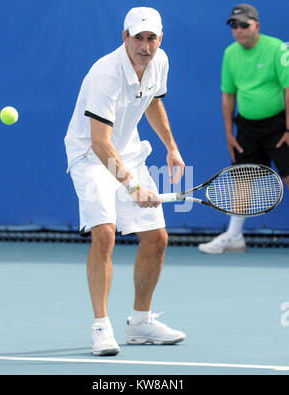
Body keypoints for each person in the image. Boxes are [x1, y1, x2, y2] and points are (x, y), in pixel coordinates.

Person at [64, 7, 186, 355]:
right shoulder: (105, 73)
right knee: (104, 232)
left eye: (152, 38)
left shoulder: (159, 61)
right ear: (125, 38)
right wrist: (133, 188)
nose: (145, 46)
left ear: (159, 39)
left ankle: (140, 323)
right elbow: (101, 143)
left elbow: (152, 102)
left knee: (156, 239)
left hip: (128, 150)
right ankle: (101, 327)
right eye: (138, 38)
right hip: (90, 155)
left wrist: (171, 148)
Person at [198, 3, 289, 254]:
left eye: (244, 25)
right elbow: (228, 95)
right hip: (247, 126)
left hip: (278, 125)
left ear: (256, 26)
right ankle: (234, 236)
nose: (238, 30)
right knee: (243, 178)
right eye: (234, 25)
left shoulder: (277, 49)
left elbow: (288, 88)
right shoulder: (230, 54)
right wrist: (229, 133)